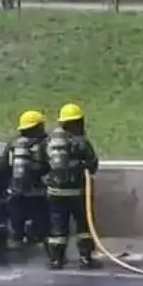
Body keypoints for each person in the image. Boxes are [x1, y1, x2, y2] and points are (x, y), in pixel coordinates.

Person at [43, 103, 100, 269]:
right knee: (83, 227)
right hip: (77, 192)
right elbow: (93, 164)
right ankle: (85, 258)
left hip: (54, 192)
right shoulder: (80, 141)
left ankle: (56, 259)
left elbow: (43, 163)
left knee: (57, 228)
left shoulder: (51, 140)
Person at [0, 109, 49, 248]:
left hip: (15, 193)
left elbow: (3, 166)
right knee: (40, 225)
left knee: (16, 226)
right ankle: (38, 242)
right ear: (37, 127)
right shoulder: (43, 143)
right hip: (36, 193)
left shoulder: (12, 144)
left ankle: (17, 244)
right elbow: (49, 165)